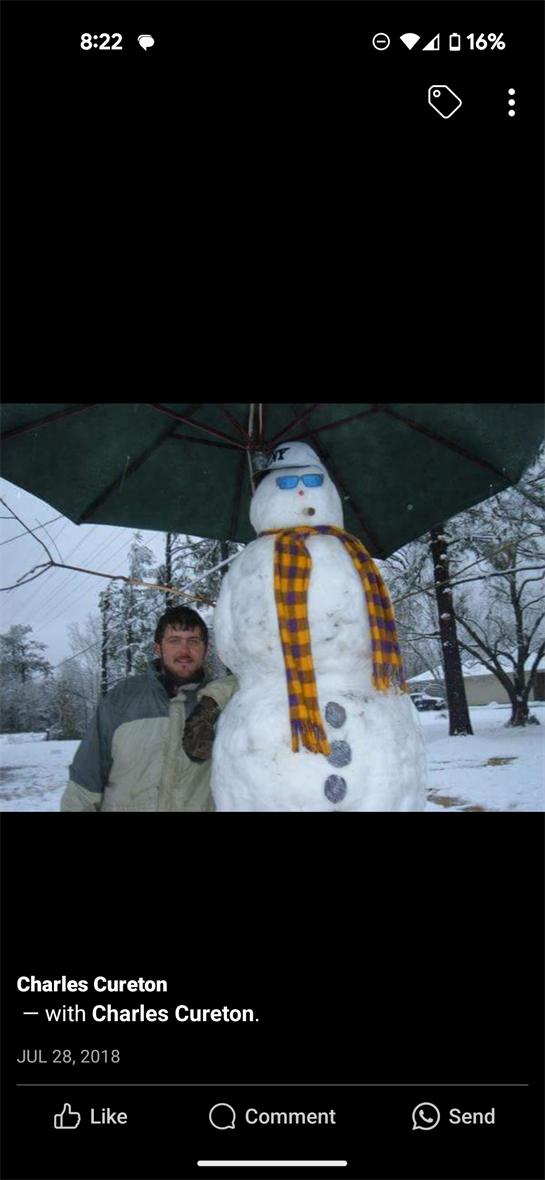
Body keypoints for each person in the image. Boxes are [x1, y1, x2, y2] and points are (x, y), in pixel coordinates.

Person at [60, 606, 237, 813]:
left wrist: (214, 699)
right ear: (158, 648)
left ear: (206, 650)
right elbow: (85, 784)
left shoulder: (223, 705)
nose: (184, 651)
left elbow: (265, 679)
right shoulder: (123, 698)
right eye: (174, 641)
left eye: (193, 641)